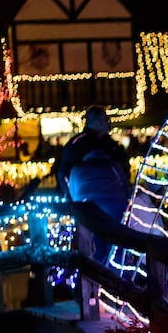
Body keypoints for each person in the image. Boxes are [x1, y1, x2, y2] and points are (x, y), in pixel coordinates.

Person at [55, 105, 132, 262]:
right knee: (111, 243)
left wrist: (71, 199)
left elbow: (63, 172)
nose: (109, 123)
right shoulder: (99, 144)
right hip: (107, 201)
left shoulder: (83, 143)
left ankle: (102, 277)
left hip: (85, 202)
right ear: (96, 121)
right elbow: (123, 169)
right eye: (105, 119)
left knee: (95, 247)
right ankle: (113, 277)